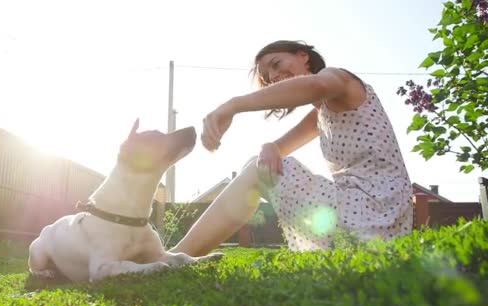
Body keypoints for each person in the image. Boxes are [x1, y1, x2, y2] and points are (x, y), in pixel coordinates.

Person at [169, 40, 413, 255]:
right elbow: (277, 150)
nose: (274, 76)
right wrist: (270, 146)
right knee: (258, 166)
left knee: (258, 170)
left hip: (375, 213)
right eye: (267, 78)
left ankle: (177, 256)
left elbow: (316, 87)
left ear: (303, 56)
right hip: (366, 218)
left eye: (276, 64)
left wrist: (234, 105)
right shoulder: (321, 115)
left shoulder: (338, 79)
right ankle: (180, 255)